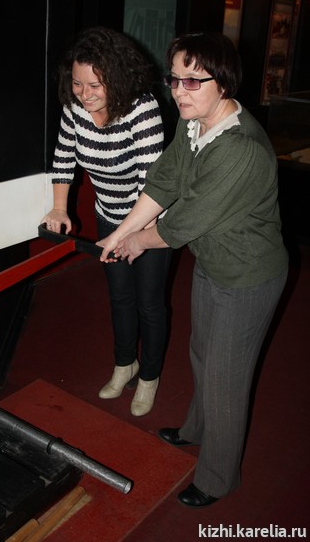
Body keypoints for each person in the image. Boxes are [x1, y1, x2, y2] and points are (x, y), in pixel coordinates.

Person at [98, 32, 288, 507]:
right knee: (203, 354)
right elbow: (163, 181)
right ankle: (196, 429)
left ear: (223, 83)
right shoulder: (195, 125)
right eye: (174, 79)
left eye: (192, 81)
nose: (178, 91)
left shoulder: (239, 148)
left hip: (247, 276)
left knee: (226, 377)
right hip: (213, 260)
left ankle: (218, 478)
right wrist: (121, 232)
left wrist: (135, 242)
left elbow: (180, 224)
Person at [41, 26, 173, 416]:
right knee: (120, 296)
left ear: (115, 77)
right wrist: (60, 208)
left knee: (149, 303)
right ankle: (124, 364)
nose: (84, 93)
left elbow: (152, 184)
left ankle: (149, 376)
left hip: (151, 221)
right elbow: (63, 157)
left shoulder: (142, 108)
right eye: (77, 83)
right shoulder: (75, 108)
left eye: (94, 85)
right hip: (109, 215)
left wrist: (127, 235)